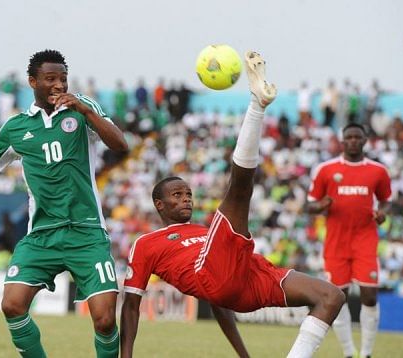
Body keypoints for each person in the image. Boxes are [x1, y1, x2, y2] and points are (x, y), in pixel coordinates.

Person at [120, 51, 345, 358]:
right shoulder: (146, 244)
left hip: (248, 277)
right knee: (239, 191)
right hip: (214, 277)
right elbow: (131, 304)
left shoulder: (202, 231)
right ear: (159, 204)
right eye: (177, 195)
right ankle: (257, 104)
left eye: (188, 193)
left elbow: (220, 305)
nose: (186, 198)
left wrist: (243, 353)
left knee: (331, 296)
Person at [0, 49, 129, 358]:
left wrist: (87, 112)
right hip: (42, 235)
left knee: (105, 319)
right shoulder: (15, 128)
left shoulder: (82, 109)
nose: (59, 85)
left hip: (86, 232)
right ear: (33, 82)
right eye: (50, 78)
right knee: (11, 304)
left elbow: (121, 145)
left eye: (63, 78)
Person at [307, 122, 391, 358]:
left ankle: (366, 353)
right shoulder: (326, 169)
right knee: (337, 297)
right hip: (336, 243)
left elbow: (386, 199)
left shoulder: (378, 171)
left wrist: (383, 212)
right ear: (342, 142)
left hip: (365, 240)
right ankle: (348, 352)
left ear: (365, 141)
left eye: (358, 137)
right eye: (349, 137)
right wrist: (320, 206)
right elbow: (309, 204)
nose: (353, 141)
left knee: (370, 295)